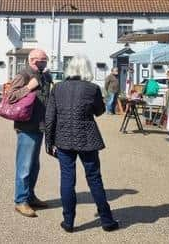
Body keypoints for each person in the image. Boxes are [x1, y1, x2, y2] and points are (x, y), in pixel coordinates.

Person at [45, 55, 119, 233]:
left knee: (67, 179)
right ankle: (107, 220)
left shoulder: (58, 88)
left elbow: (49, 117)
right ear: (86, 69)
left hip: (63, 139)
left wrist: (49, 141)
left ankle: (68, 222)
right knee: (94, 178)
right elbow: (100, 111)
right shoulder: (92, 88)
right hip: (87, 138)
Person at [8, 49, 51, 217]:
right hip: (26, 126)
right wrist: (28, 87)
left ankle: (30, 196)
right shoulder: (24, 74)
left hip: (40, 125)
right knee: (24, 166)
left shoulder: (46, 76)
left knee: (34, 165)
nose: (42, 62)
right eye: (39, 60)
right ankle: (20, 201)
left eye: (45, 59)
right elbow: (11, 96)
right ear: (30, 60)